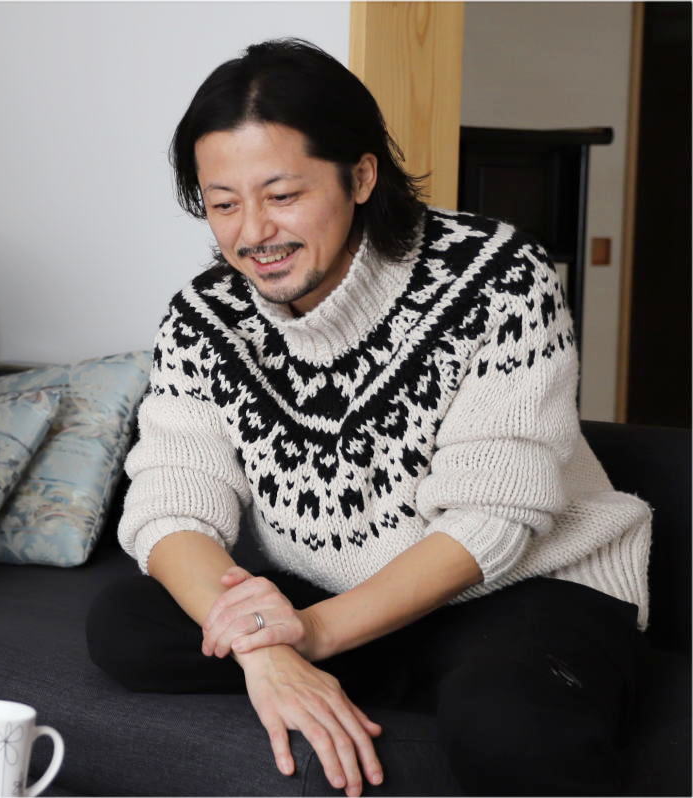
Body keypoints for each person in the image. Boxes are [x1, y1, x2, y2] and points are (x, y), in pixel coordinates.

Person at [86, 38, 650, 796]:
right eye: (223, 205)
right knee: (127, 623)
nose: (252, 234)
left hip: (518, 589)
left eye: (282, 195)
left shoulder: (495, 273)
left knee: (512, 729)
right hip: (327, 595)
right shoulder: (205, 318)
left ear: (360, 176)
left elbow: (492, 518)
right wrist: (267, 651)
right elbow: (171, 502)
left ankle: (452, 680)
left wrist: (313, 633)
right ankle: (388, 672)